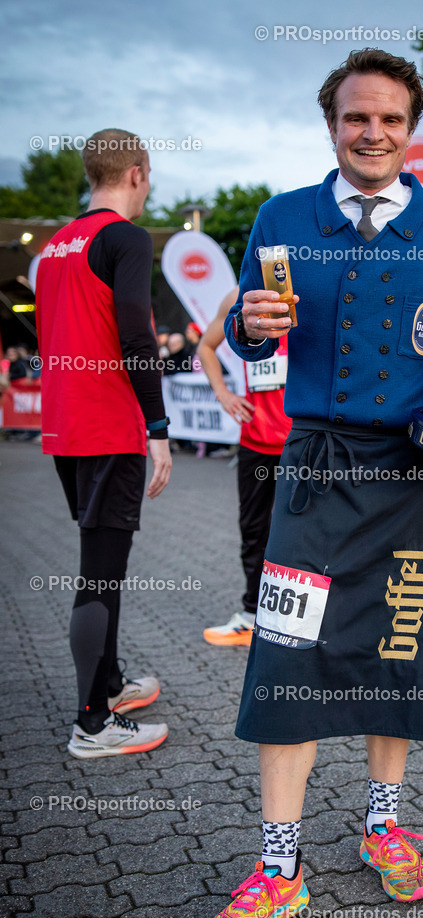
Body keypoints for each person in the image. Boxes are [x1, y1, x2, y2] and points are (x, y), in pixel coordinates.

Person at [202, 49, 423, 918]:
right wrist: (244, 327)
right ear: (332, 124)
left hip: (418, 476)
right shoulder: (280, 216)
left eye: (389, 118)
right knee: (285, 656)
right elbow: (239, 326)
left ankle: (383, 826)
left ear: (410, 128)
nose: (373, 133)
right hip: (312, 470)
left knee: (402, 647)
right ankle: (279, 870)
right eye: (356, 118)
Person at [35, 127, 172, 759]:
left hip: (65, 424)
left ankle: (110, 684)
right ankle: (92, 722)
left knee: (100, 563)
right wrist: (159, 428)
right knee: (100, 572)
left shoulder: (57, 245)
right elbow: (137, 338)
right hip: (109, 424)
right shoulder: (126, 237)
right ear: (138, 172)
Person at [198, 290, 291, 646]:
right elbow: (206, 347)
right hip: (256, 440)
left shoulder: (315, 282)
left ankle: (312, 618)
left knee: (310, 532)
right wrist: (222, 392)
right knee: (254, 531)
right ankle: (253, 615)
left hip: (303, 440)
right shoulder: (239, 296)